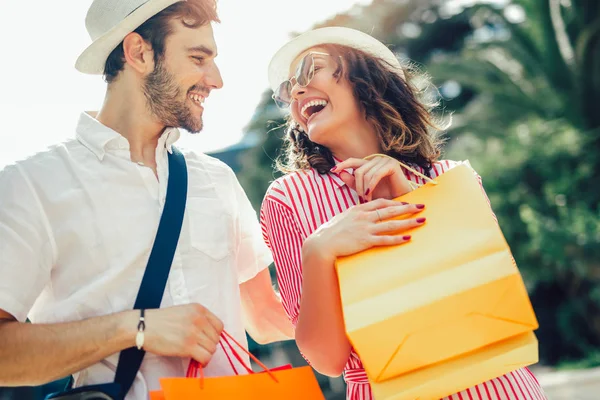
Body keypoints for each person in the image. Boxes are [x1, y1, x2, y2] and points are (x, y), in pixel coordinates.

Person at [0, 0, 293, 398]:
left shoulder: (216, 180)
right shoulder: (31, 186)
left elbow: (266, 317)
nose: (217, 79)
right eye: (198, 57)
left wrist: (338, 256)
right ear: (139, 52)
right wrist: (135, 328)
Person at [260, 27, 547, 400]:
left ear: (367, 79)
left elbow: (491, 297)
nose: (296, 91)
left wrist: (411, 196)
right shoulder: (289, 198)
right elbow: (327, 360)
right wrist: (319, 250)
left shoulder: (453, 177)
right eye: (287, 89)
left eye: (309, 71)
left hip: (496, 386)